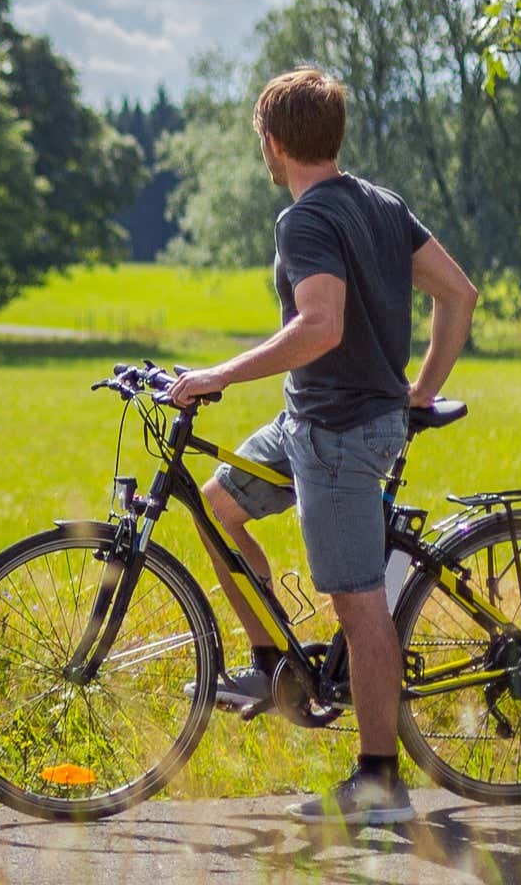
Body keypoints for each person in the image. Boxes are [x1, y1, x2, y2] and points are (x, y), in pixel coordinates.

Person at [162, 67, 478, 825]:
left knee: (357, 602)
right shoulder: (379, 202)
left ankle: (378, 783)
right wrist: (422, 387)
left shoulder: (303, 221)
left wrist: (218, 374)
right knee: (217, 508)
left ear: (273, 142)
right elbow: (458, 292)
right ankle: (273, 661)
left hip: (339, 436)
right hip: (312, 420)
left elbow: (321, 325)